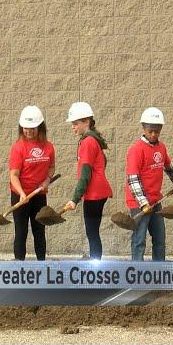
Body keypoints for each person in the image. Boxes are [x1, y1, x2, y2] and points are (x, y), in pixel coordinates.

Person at [126, 107, 173, 261]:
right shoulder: (136, 150)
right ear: (143, 128)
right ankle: (137, 274)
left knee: (159, 240)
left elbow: (168, 166)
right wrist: (143, 203)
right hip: (138, 203)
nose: (153, 134)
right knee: (139, 241)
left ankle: (159, 272)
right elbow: (133, 179)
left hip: (156, 201)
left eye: (157, 131)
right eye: (150, 130)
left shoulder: (161, 147)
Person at [64, 102, 112, 260]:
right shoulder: (93, 140)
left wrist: (74, 199)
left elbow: (85, 175)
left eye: (76, 123)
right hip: (98, 192)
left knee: (92, 232)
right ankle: (94, 261)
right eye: (72, 123)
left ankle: (95, 265)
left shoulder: (87, 142)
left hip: (94, 194)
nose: (73, 126)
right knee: (93, 231)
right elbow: (102, 162)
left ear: (86, 121)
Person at [9, 106, 55, 260]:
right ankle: (19, 267)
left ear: (40, 127)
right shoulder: (18, 148)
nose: (28, 131)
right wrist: (22, 194)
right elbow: (13, 175)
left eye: (32, 128)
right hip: (21, 196)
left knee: (39, 231)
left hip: (39, 195)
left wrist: (47, 180)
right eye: (25, 128)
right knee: (21, 232)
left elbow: (52, 167)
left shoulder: (48, 147)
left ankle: (41, 265)